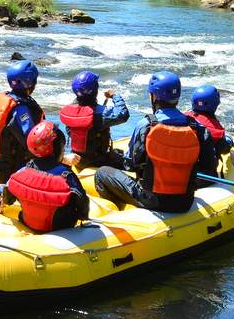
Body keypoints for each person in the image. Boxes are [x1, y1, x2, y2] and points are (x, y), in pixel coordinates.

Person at [93, 71, 219, 213]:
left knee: (102, 173)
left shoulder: (146, 125)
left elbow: (131, 164)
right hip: (185, 201)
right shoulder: (198, 127)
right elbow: (209, 166)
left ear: (154, 96)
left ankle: (119, 213)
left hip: (151, 199)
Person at [4, 121, 91, 233]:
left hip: (27, 223)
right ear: (56, 150)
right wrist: (83, 217)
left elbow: (6, 196)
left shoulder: (22, 171)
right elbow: (82, 202)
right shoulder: (66, 175)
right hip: (59, 228)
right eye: (63, 148)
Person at [0, 60, 50, 183]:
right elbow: (32, 139)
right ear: (31, 82)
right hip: (14, 169)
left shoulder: (5, 99)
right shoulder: (21, 108)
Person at [59, 70, 129, 169]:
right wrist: (114, 95)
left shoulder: (70, 112)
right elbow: (123, 114)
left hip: (77, 159)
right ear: (95, 91)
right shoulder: (100, 114)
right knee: (126, 161)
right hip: (98, 161)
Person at [186, 84, 232, 160]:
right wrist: (229, 142)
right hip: (201, 165)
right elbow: (224, 150)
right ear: (216, 104)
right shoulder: (217, 130)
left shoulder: (182, 117)